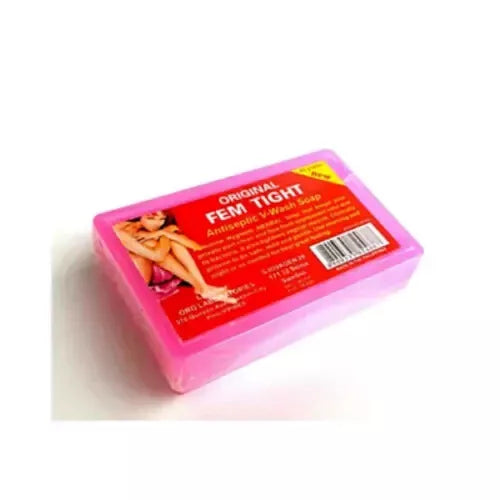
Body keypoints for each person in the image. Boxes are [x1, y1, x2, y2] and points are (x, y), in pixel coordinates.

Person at [113, 210, 236, 304]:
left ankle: (202, 287)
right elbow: (158, 256)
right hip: (134, 280)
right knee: (149, 247)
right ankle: (201, 287)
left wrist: (163, 233)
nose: (156, 217)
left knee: (173, 242)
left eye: (162, 219)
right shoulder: (119, 230)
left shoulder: (153, 233)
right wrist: (163, 234)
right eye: (153, 215)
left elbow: (196, 247)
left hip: (155, 271)